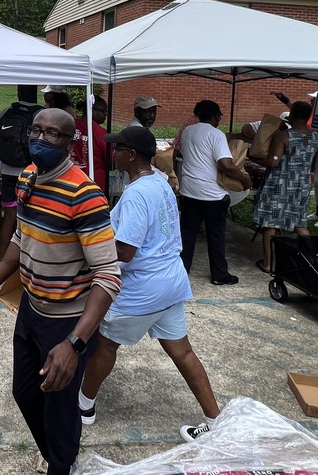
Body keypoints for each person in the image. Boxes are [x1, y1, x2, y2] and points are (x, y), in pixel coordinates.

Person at [0, 108, 121, 475]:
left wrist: (74, 344)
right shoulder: (28, 178)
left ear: (70, 142)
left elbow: (108, 275)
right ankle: (59, 456)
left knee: (60, 407)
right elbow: (22, 238)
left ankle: (61, 463)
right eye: (36, 131)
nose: (41, 139)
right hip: (31, 311)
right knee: (25, 392)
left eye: (52, 134)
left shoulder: (85, 194)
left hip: (67, 320)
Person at [79, 126, 221, 441]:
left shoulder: (135, 194)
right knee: (182, 351)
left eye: (117, 149)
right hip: (171, 280)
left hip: (143, 288)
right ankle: (215, 420)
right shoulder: (158, 180)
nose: (112, 153)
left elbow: (126, 251)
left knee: (106, 343)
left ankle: (83, 406)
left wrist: (85, 246)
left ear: (130, 155)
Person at [178, 100, 253, 285]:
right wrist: (245, 179)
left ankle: (181, 271)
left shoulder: (188, 131)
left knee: (187, 234)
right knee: (216, 235)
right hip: (211, 194)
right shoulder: (216, 134)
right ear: (216, 116)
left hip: (189, 190)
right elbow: (226, 165)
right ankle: (219, 274)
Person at [251, 101, 318, 273]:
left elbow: (272, 162)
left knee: (270, 223)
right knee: (298, 222)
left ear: (291, 116)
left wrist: (252, 157)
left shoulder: (284, 136)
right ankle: (314, 259)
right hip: (301, 184)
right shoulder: (315, 136)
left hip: (280, 184)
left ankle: (268, 263)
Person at [270, 90, 318, 229]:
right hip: (317, 151)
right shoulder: (313, 114)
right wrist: (284, 99)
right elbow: (297, 112)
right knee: (317, 182)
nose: (311, 102)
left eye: (314, 100)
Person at [0, 85, 44, 259]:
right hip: (32, 173)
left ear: (19, 92)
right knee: (34, 217)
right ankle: (30, 260)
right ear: (35, 93)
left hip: (8, 172)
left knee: (9, 216)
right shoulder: (41, 114)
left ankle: (1, 261)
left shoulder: (8, 111)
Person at [71, 95, 109, 193]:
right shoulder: (102, 134)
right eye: (104, 111)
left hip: (70, 179)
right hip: (93, 184)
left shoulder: (69, 125)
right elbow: (110, 162)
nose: (106, 115)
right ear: (93, 110)